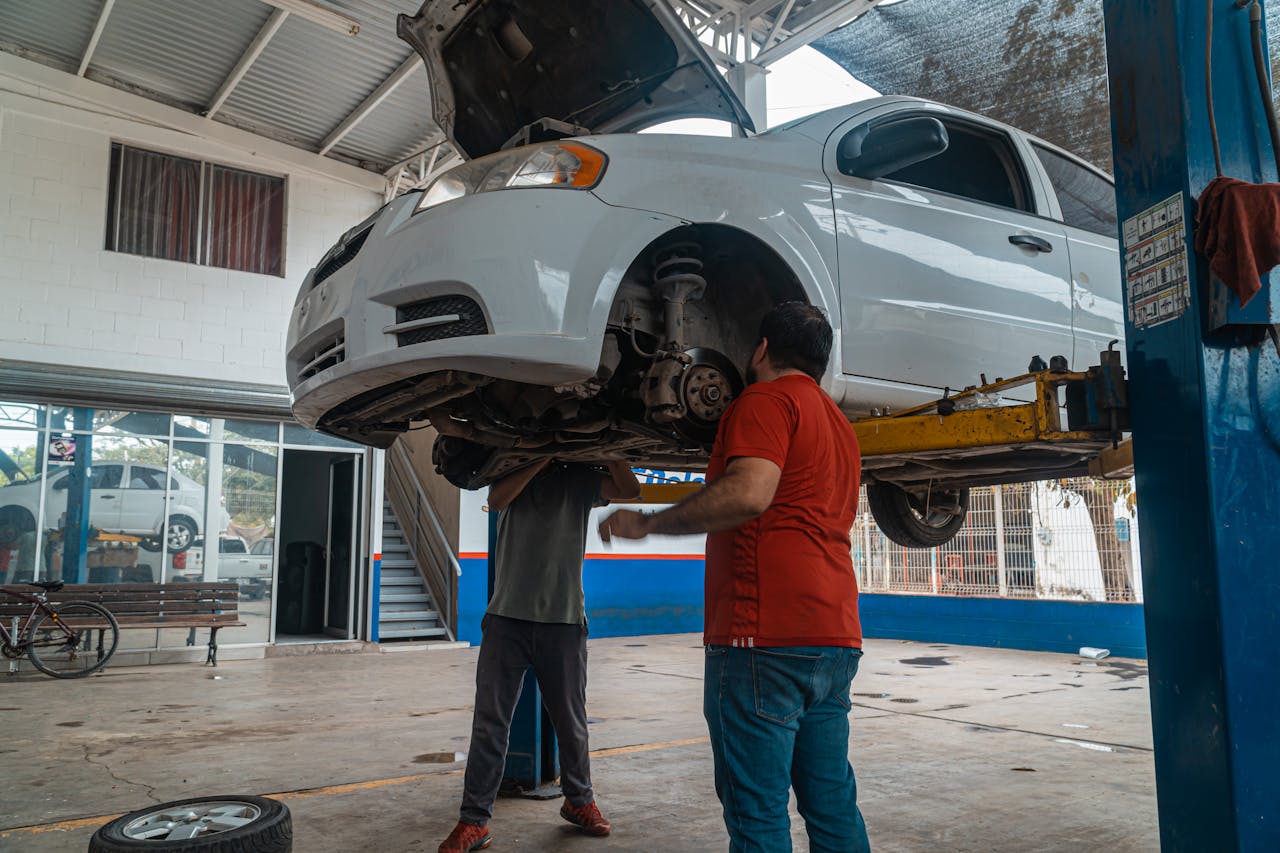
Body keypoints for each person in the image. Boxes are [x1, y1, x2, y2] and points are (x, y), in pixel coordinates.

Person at [599, 302, 868, 853]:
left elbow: (748, 493)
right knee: (831, 803)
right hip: (834, 638)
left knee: (757, 812)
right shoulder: (840, 424)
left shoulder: (764, 399)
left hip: (761, 638)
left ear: (763, 349)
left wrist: (648, 523)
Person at [439, 458, 641, 853]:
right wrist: (540, 456)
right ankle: (473, 820)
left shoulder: (582, 480)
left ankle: (579, 801)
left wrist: (613, 451)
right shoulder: (511, 469)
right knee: (490, 724)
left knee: (571, 721)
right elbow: (497, 500)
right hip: (505, 619)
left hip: (563, 620)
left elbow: (631, 490)